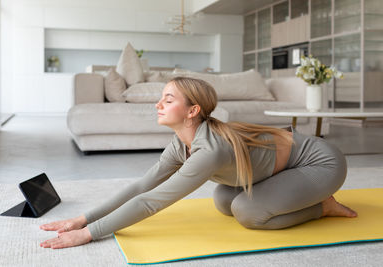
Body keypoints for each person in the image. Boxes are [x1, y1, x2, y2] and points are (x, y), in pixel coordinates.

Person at [40, 77, 357, 249]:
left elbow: (151, 203)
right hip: (284, 164)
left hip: (320, 163)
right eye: (161, 98)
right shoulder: (182, 143)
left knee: (248, 213)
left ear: (192, 111)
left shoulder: (210, 150)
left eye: (168, 99)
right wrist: (81, 218)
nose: (158, 104)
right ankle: (297, 197)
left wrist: (90, 233)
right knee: (223, 200)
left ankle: (323, 207)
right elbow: (142, 185)